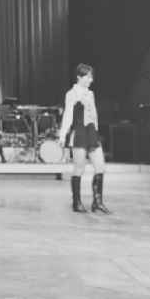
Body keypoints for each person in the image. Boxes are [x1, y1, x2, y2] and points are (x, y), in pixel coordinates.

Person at [58, 63, 110, 214]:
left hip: (91, 132)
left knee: (100, 166)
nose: (91, 79)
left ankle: (97, 202)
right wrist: (63, 135)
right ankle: (76, 202)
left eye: (91, 77)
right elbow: (67, 116)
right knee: (79, 168)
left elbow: (94, 115)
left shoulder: (90, 94)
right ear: (79, 77)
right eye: (88, 77)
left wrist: (96, 129)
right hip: (79, 132)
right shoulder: (72, 94)